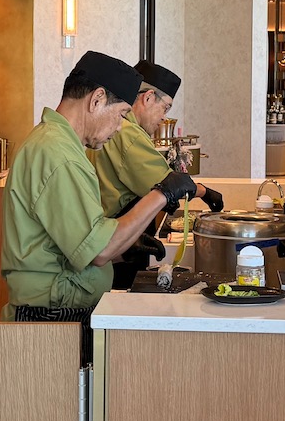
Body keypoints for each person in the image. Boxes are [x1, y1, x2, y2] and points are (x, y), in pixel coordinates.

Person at [1, 51, 196, 322]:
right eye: (120, 114)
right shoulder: (58, 154)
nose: (119, 127)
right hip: (53, 314)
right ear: (97, 99)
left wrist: (124, 248)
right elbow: (98, 251)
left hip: (61, 304)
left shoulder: (57, 144)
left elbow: (65, 244)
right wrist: (162, 193)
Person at [90, 59, 225, 288]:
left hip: (113, 239)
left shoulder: (122, 128)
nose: (164, 117)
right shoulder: (129, 132)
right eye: (166, 108)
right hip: (115, 240)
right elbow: (168, 185)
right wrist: (205, 193)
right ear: (148, 97)